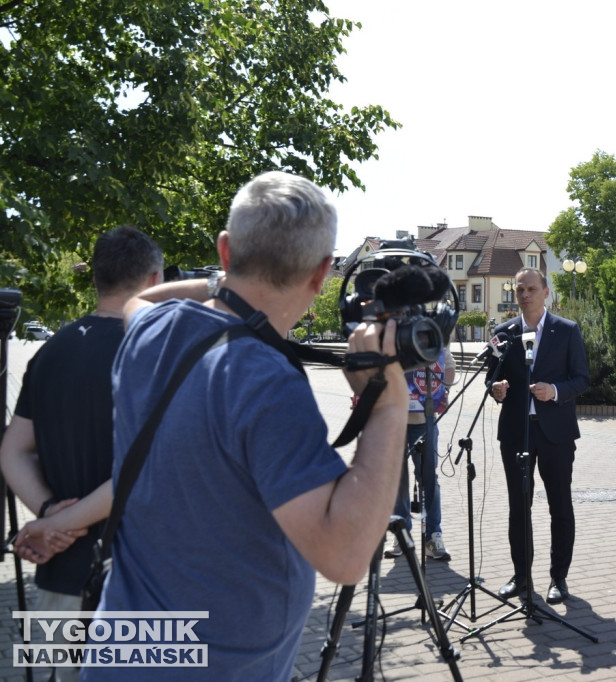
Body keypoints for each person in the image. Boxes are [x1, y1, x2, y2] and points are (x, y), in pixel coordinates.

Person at [62, 171, 408, 681]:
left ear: (225, 251)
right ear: (322, 273)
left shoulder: (154, 329)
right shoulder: (265, 381)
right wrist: (388, 407)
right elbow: (345, 557)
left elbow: (136, 301)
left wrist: (219, 283)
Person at [0, 226, 164, 682]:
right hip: (138, 584)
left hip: (58, 574)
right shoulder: (156, 356)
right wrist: (55, 521)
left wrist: (50, 513)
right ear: (155, 279)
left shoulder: (49, 352)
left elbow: (12, 449)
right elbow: (142, 471)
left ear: (96, 278)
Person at [486, 267, 588, 605]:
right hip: (517, 432)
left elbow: (581, 379)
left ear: (545, 292)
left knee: (560, 506)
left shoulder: (567, 331)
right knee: (519, 507)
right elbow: (492, 378)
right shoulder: (503, 333)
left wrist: (555, 390)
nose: (525, 295)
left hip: (556, 433)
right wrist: (496, 389)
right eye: (519, 290)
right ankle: (521, 576)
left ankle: (558, 578)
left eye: (531, 289)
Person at [384, 347, 456, 561]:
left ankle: (433, 536)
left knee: (428, 479)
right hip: (393, 420)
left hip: (424, 420)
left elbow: (449, 365)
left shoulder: (428, 331)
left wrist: (444, 392)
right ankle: (402, 533)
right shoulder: (388, 333)